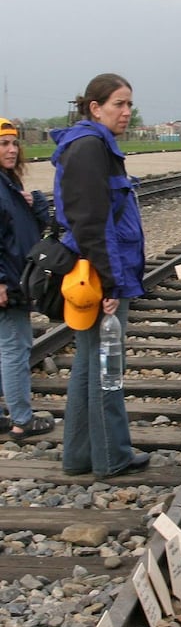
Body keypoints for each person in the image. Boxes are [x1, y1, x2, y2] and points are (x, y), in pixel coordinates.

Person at [51, 74, 149, 479]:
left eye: (129, 105)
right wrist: (110, 282)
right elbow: (91, 222)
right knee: (106, 365)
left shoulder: (92, 145)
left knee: (91, 363)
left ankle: (79, 455)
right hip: (100, 274)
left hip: (99, 270)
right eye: (118, 104)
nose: (126, 112)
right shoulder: (90, 148)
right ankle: (111, 456)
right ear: (95, 107)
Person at [0, 118, 55, 440]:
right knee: (15, 349)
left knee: (7, 347)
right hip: (9, 281)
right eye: (4, 144)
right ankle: (22, 419)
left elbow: (39, 226)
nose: (11, 149)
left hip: (15, 277)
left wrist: (36, 202)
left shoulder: (9, 185)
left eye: (14, 143)